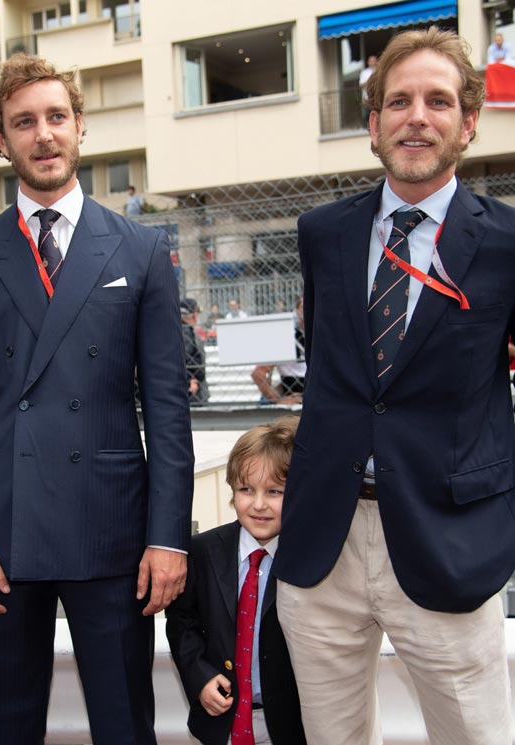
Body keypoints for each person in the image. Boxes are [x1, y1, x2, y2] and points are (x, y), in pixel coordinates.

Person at [0, 53, 194, 745]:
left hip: (112, 530)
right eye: (23, 122)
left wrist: (167, 535)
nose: (42, 135)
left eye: (55, 118)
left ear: (80, 127)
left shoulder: (140, 249)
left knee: (122, 727)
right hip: (0, 533)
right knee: (9, 729)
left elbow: (165, 407)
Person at [274, 27, 515, 745]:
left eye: (437, 101)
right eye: (397, 101)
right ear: (372, 123)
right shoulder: (321, 231)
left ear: (466, 123)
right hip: (324, 542)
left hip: (448, 541)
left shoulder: (506, 243)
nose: (417, 116)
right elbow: (334, 369)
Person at [166, 418, 306, 745]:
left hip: (289, 725)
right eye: (246, 490)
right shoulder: (202, 550)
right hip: (221, 723)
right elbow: (182, 620)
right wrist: (200, 677)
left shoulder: (306, 559)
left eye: (274, 492)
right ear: (232, 490)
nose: (258, 505)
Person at [181, 298, 209, 406]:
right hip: (193, 388)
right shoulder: (186, 331)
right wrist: (190, 380)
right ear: (192, 315)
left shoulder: (184, 329)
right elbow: (185, 357)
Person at [359, 54, 378, 128]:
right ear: (368, 62)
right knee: (368, 114)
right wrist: (370, 82)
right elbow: (361, 84)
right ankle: (366, 128)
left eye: (374, 61)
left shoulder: (380, 71)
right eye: (371, 61)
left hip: (378, 97)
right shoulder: (364, 72)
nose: (372, 62)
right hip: (368, 97)